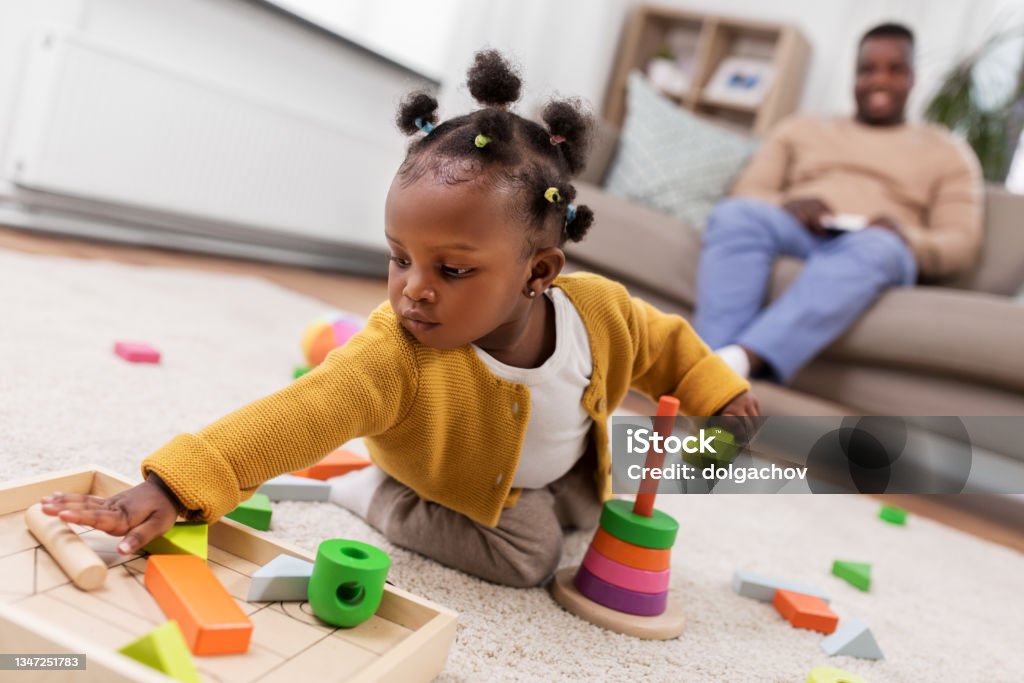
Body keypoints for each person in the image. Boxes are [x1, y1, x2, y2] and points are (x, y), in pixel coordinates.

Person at [40, 51, 758, 588]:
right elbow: (299, 413)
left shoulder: (599, 310)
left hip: (553, 464)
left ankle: (539, 492)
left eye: (450, 269)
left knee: (592, 511)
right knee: (532, 558)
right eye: (398, 257)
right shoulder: (398, 350)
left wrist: (718, 392)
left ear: (538, 273)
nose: (412, 290)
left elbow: (666, 344)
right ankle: (375, 492)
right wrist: (174, 486)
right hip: (451, 479)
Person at [695, 23, 984, 384]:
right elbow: (745, 194)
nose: (879, 80)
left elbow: (961, 244)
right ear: (854, 76)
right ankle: (704, 374)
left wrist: (903, 234)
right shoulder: (801, 128)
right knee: (734, 216)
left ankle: (737, 362)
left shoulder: (949, 152)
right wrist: (790, 203)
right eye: (868, 69)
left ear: (912, 78)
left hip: (874, 248)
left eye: (895, 69)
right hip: (799, 232)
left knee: (879, 247)